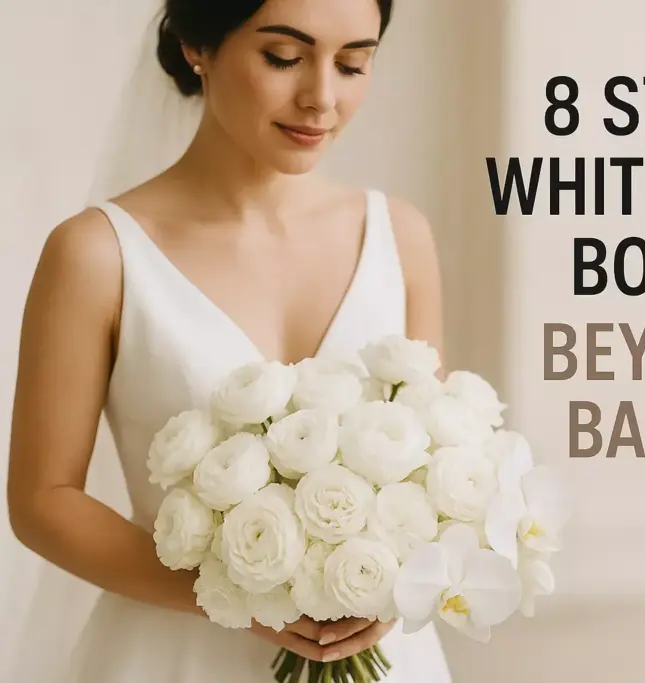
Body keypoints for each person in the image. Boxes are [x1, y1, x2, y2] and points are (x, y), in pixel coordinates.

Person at [6, 0, 452, 681]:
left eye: (354, 63)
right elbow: (43, 498)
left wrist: (404, 582)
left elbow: (436, 468)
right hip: (174, 657)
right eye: (284, 58)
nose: (322, 98)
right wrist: (244, 594)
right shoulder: (96, 253)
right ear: (197, 44)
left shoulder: (401, 236)